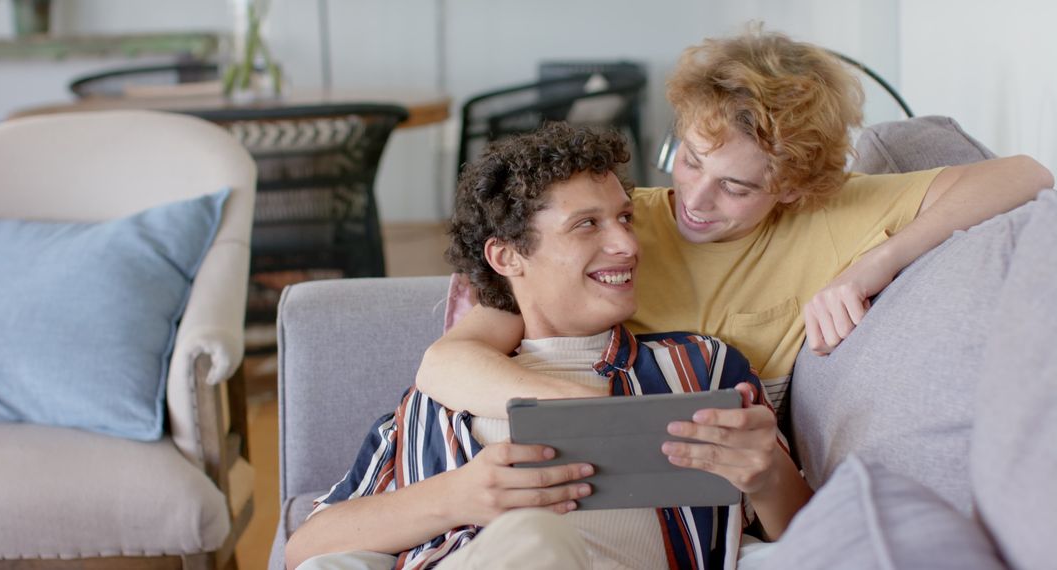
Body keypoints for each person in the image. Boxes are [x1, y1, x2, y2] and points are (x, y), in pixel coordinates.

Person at [415, 26, 1053, 421]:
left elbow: (1025, 174)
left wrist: (874, 265)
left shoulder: (831, 216)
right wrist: (612, 422)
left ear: (794, 188)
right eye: (689, 160)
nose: (695, 197)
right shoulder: (614, 234)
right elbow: (448, 363)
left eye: (737, 186)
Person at [285, 123, 809, 570]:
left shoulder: (699, 368)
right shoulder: (435, 400)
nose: (627, 245)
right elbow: (306, 546)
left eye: (625, 218)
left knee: (539, 541)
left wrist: (768, 476)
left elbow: (815, 537)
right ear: (508, 256)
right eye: (586, 225)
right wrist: (457, 497)